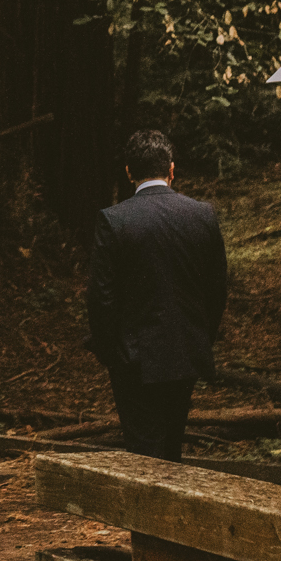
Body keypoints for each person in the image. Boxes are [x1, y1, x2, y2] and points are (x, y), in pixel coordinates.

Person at [85, 129, 228, 462]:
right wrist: (201, 338)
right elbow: (216, 289)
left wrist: (110, 352)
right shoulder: (203, 215)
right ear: (172, 170)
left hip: (135, 359)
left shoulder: (114, 220)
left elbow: (100, 295)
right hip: (185, 353)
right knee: (171, 446)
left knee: (143, 450)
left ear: (129, 173)